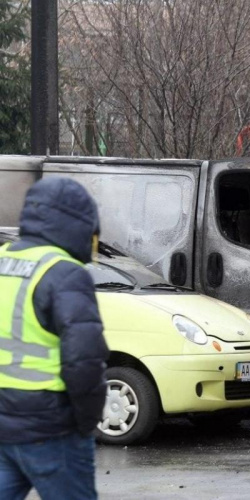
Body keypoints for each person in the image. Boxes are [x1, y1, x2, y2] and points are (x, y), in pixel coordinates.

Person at [0, 178, 109, 499]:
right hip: (53, 428)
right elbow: (84, 361)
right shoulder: (66, 273)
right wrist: (87, 421)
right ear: (79, 225)